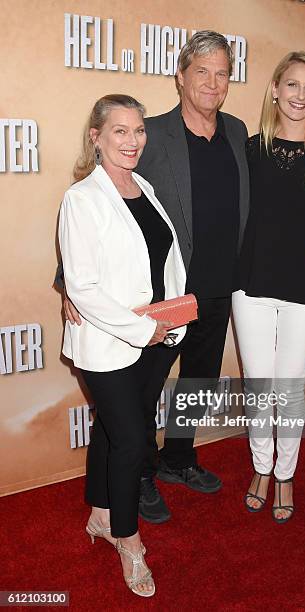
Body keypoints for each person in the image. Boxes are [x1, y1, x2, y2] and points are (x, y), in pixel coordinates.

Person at [63, 32, 305, 524]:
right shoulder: (151, 133)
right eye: (201, 71)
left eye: (222, 72)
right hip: (165, 296)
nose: (212, 82)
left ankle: (179, 459)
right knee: (144, 391)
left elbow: (280, 200)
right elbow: (106, 195)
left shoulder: (238, 132)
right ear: (180, 76)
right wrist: (68, 285)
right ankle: (139, 474)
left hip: (223, 285)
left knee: (199, 382)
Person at [58, 94, 188, 596]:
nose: (133, 140)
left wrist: (171, 318)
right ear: (96, 137)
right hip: (110, 342)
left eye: (138, 130)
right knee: (133, 440)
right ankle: (128, 541)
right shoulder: (81, 199)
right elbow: (83, 288)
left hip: (157, 336)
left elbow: (166, 258)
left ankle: (98, 513)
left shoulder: (146, 186)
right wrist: (143, 329)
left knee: (113, 433)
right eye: (120, 131)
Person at [232, 51, 305, 523]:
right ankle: (261, 467)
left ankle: (285, 474)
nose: (301, 96)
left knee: (290, 389)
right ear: (276, 89)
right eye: (293, 85)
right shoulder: (251, 149)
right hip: (251, 285)